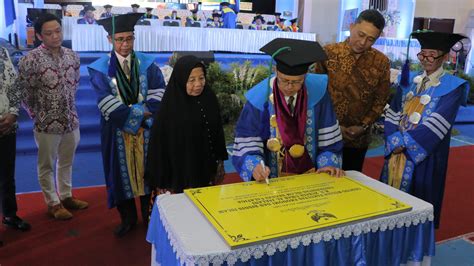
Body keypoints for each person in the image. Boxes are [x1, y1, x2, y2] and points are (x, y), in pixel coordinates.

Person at [88, 13, 166, 237]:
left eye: (129, 38)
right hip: (116, 132)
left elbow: (158, 93)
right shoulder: (100, 68)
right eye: (120, 39)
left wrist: (142, 117)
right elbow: (104, 101)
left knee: (147, 173)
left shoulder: (147, 64)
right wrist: (138, 116)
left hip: (147, 132)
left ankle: (150, 215)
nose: (125, 44)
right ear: (110, 40)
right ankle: (128, 219)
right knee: (119, 175)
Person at [381, 32, 469, 228]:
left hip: (424, 155)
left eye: (432, 54)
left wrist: (403, 143)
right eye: (423, 54)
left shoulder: (453, 87)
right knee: (388, 203)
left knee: (417, 203)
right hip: (396, 153)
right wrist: (393, 139)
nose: (426, 60)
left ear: (445, 57)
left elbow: (438, 124)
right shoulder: (411, 80)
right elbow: (393, 112)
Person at [232, 38, 344, 182]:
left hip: (313, 176)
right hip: (272, 178)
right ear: (275, 71)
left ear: (305, 76)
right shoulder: (259, 98)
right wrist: (255, 165)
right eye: (284, 80)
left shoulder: (318, 93)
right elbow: (248, 139)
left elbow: (328, 137)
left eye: (297, 82)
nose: (289, 87)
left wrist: (328, 163)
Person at [19, 14, 87, 220]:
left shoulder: (72, 56)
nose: (55, 36)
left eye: (58, 31)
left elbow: (74, 83)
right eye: (49, 33)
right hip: (46, 122)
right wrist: (37, 114)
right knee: (46, 164)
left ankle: (66, 196)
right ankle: (53, 202)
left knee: (67, 161)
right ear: (39, 36)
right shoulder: (29, 60)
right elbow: (25, 93)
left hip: (70, 119)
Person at [313, 9, 390, 172]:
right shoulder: (329, 53)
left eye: (371, 39)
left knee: (351, 184)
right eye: (360, 35)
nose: (363, 43)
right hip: (326, 135)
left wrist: (363, 126)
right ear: (351, 26)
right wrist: (333, 126)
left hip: (358, 139)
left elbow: (381, 99)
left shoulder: (381, 62)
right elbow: (317, 92)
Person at [145, 55, 228, 195]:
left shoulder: (209, 97)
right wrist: (161, 181)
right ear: (181, 79)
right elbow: (159, 148)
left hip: (206, 170)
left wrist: (220, 161)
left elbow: (217, 131)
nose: (198, 84)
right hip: (178, 177)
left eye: (201, 78)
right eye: (191, 80)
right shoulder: (170, 107)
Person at [0, 47, 31, 245]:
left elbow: (14, 85)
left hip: (5, 126)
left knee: (6, 176)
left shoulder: (2, 51)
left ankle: (10, 215)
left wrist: (12, 113)